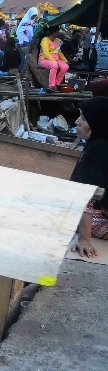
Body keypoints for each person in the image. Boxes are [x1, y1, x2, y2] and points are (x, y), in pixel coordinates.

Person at [71, 97, 108, 258]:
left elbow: (84, 193)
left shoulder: (97, 149)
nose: (77, 121)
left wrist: (84, 239)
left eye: (84, 118)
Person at [39, 25, 69, 91]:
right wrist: (53, 61)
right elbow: (46, 53)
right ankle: (51, 85)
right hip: (44, 59)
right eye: (57, 32)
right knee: (54, 66)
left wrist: (65, 60)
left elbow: (59, 52)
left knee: (65, 67)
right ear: (53, 32)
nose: (58, 33)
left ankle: (57, 83)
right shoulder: (45, 40)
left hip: (56, 59)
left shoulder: (56, 41)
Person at [16, 7, 38, 72]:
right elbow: (20, 32)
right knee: (24, 58)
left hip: (27, 41)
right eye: (33, 15)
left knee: (25, 57)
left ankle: (23, 71)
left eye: (35, 16)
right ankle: (22, 71)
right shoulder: (26, 21)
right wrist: (21, 42)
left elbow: (29, 32)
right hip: (23, 41)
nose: (34, 17)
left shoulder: (30, 21)